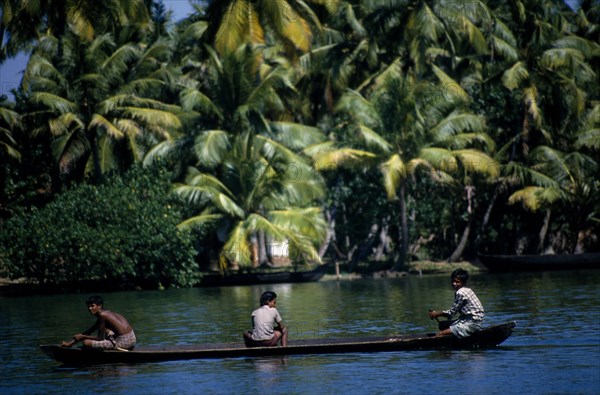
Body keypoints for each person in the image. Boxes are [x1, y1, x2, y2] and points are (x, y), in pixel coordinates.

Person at [61, 295, 136, 350]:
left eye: (92, 306)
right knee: (106, 333)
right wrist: (71, 343)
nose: (90, 309)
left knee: (86, 343)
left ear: (99, 306)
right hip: (132, 339)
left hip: (124, 342)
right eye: (88, 306)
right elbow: (90, 331)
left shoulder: (102, 315)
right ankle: (69, 344)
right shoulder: (106, 313)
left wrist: (83, 337)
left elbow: (99, 338)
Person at [428, 268, 484, 338]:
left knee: (440, 334)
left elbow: (451, 313)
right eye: (453, 281)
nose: (454, 284)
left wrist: (437, 313)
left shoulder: (460, 293)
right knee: (442, 325)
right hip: (471, 320)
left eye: (457, 282)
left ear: (463, 283)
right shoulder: (468, 290)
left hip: (471, 323)